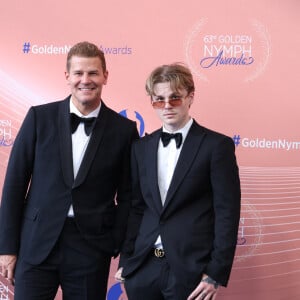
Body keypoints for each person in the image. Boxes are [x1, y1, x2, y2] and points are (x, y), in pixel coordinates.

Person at [0, 41, 139, 300]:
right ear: (67, 76)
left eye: (93, 73)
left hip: (91, 247)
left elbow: (129, 196)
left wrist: (115, 242)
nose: (85, 80)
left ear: (105, 76)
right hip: (36, 243)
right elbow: (14, 184)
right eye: (78, 73)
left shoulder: (124, 130)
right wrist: (7, 247)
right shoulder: (39, 118)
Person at [115, 63, 241, 300]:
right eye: (158, 99)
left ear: (190, 97)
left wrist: (215, 273)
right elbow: (137, 209)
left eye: (174, 98)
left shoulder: (216, 147)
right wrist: (127, 260)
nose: (166, 106)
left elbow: (227, 213)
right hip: (143, 268)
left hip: (190, 270)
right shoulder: (141, 148)